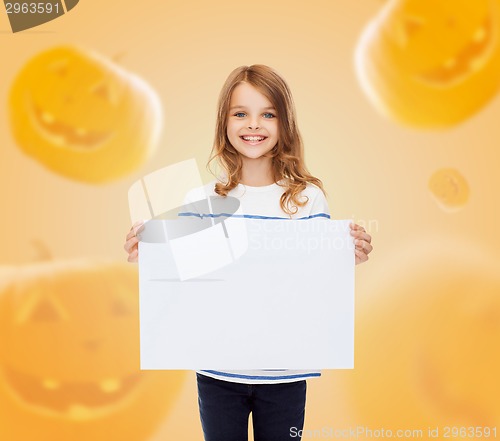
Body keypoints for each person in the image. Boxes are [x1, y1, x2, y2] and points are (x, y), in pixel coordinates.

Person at [124, 64, 373, 441]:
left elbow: (312, 276)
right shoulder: (201, 200)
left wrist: (346, 255)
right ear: (224, 122)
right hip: (218, 371)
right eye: (240, 113)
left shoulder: (307, 199)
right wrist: (150, 254)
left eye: (267, 114)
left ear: (284, 123)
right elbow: (190, 275)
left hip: (286, 372)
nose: (253, 125)